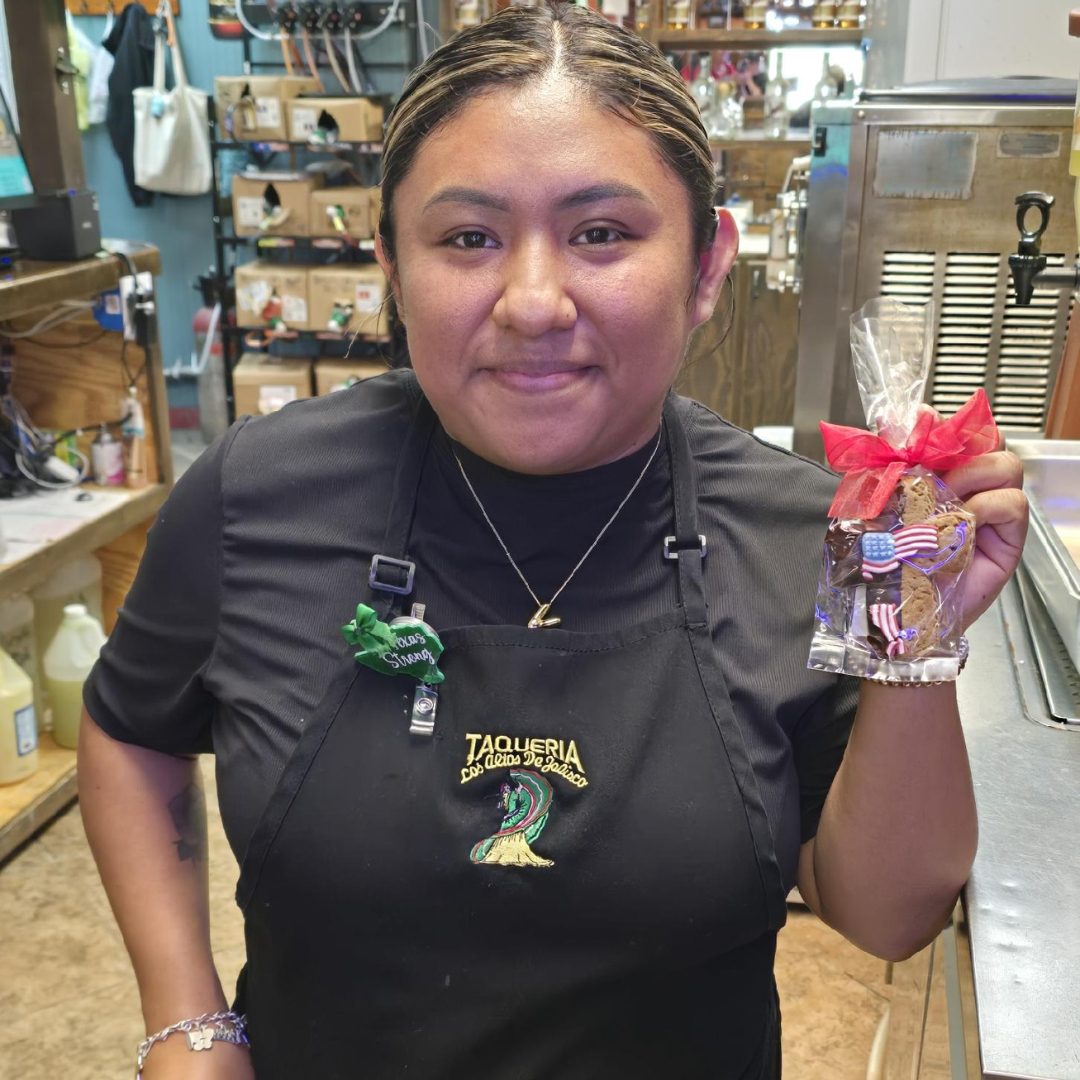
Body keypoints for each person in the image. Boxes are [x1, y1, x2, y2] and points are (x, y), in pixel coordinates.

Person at [77, 4, 1028, 1078]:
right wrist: (185, 1019)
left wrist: (914, 640)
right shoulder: (258, 494)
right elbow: (129, 731)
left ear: (707, 265)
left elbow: (889, 915)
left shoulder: (802, 537)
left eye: (602, 234)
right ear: (392, 265)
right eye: (468, 238)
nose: (533, 303)